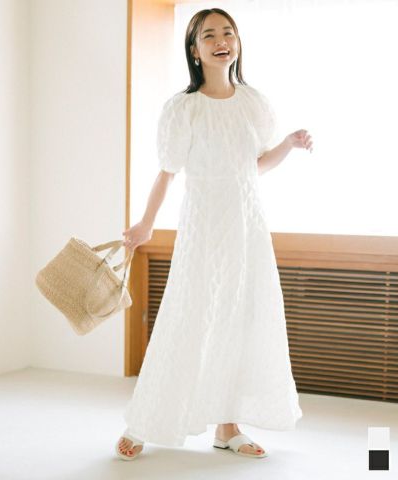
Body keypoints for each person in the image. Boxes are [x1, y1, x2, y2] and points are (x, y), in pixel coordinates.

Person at [116, 7, 312, 461]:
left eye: (228, 32)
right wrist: (145, 223)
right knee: (186, 316)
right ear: (195, 50)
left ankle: (228, 427)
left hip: (247, 226)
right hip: (204, 225)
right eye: (209, 35)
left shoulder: (253, 103)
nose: (221, 40)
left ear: (236, 42)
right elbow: (167, 172)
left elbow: (253, 166)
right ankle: (144, 421)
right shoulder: (183, 109)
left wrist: (287, 145)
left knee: (240, 320)